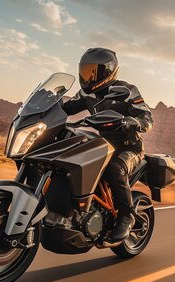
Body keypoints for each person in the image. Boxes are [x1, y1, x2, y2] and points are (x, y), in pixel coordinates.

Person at [63, 48, 153, 243]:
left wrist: (133, 122)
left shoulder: (127, 91)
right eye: (85, 71)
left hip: (130, 148)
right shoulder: (86, 94)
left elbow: (147, 117)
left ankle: (126, 217)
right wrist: (48, 105)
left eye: (93, 72)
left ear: (108, 72)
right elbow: (65, 109)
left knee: (115, 169)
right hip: (104, 146)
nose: (88, 77)